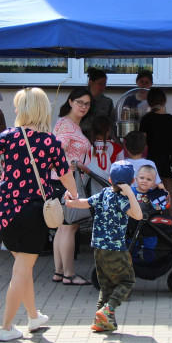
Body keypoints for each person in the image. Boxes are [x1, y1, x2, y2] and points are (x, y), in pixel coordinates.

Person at [0, 87, 78, 342]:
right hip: (33, 212)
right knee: (22, 270)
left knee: (23, 267)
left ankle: (33, 317)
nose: (14, 109)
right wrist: (73, 196)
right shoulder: (50, 142)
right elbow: (66, 175)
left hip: (6, 211)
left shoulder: (8, 136)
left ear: (26, 109)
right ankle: (7, 327)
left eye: (18, 105)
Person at [63, 160, 142, 332]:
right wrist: (130, 194)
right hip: (115, 249)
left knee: (105, 287)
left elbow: (86, 203)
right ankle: (109, 309)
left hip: (98, 248)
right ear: (132, 182)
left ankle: (100, 320)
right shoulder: (123, 200)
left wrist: (72, 203)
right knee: (127, 281)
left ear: (111, 180)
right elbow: (138, 215)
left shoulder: (105, 193)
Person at [51, 87, 94, 286]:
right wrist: (74, 165)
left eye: (87, 103)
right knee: (69, 227)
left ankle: (59, 272)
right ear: (70, 102)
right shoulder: (67, 125)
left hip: (62, 179)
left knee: (63, 227)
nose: (83, 107)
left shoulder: (70, 124)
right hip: (65, 180)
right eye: (80, 102)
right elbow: (57, 153)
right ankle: (69, 273)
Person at [138, 88, 172, 216]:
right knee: (171, 203)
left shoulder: (146, 120)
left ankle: (155, 235)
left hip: (152, 165)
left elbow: (142, 147)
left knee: (152, 204)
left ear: (149, 103)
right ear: (165, 101)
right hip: (170, 165)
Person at [79, 68, 116, 138]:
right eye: (100, 84)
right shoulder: (79, 100)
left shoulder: (108, 102)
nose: (102, 87)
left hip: (101, 142)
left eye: (104, 84)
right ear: (91, 82)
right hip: (82, 139)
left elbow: (111, 124)